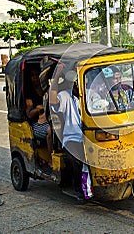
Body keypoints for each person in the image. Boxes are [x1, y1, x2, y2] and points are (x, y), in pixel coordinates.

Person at [49, 62, 86, 199]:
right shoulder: (65, 96)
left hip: (88, 135)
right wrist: (57, 73)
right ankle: (78, 189)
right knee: (77, 159)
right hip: (72, 137)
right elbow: (52, 99)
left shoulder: (86, 96)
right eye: (75, 83)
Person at [25, 68, 52, 168]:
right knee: (50, 131)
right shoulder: (30, 94)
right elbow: (29, 114)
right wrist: (39, 109)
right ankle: (50, 159)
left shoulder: (47, 89)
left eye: (38, 75)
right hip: (37, 125)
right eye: (33, 76)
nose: (36, 78)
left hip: (51, 120)